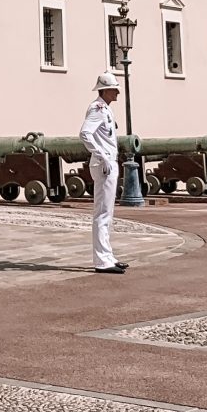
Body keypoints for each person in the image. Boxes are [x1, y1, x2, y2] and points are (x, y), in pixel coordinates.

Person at [81, 72, 127, 274]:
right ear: (105, 90)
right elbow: (85, 133)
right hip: (104, 164)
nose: (117, 91)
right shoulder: (97, 109)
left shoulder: (105, 108)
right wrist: (101, 156)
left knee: (107, 213)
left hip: (108, 162)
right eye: (114, 88)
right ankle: (102, 261)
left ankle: (107, 256)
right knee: (102, 213)